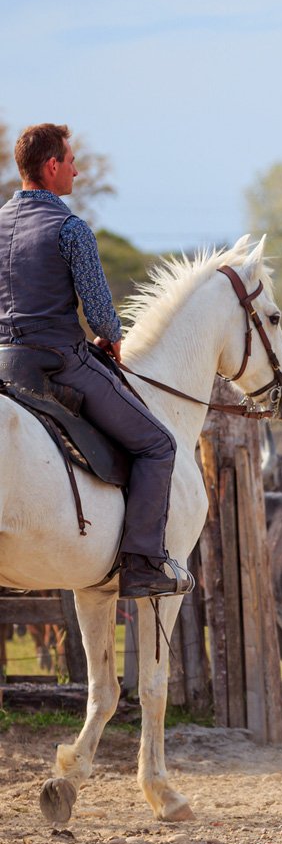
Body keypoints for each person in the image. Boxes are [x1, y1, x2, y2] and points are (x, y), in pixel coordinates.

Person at [0, 123, 193, 598]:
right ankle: (145, 562)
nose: (77, 171)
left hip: (3, 364)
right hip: (57, 362)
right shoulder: (70, 228)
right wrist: (111, 338)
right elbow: (102, 314)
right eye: (70, 162)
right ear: (51, 167)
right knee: (158, 446)